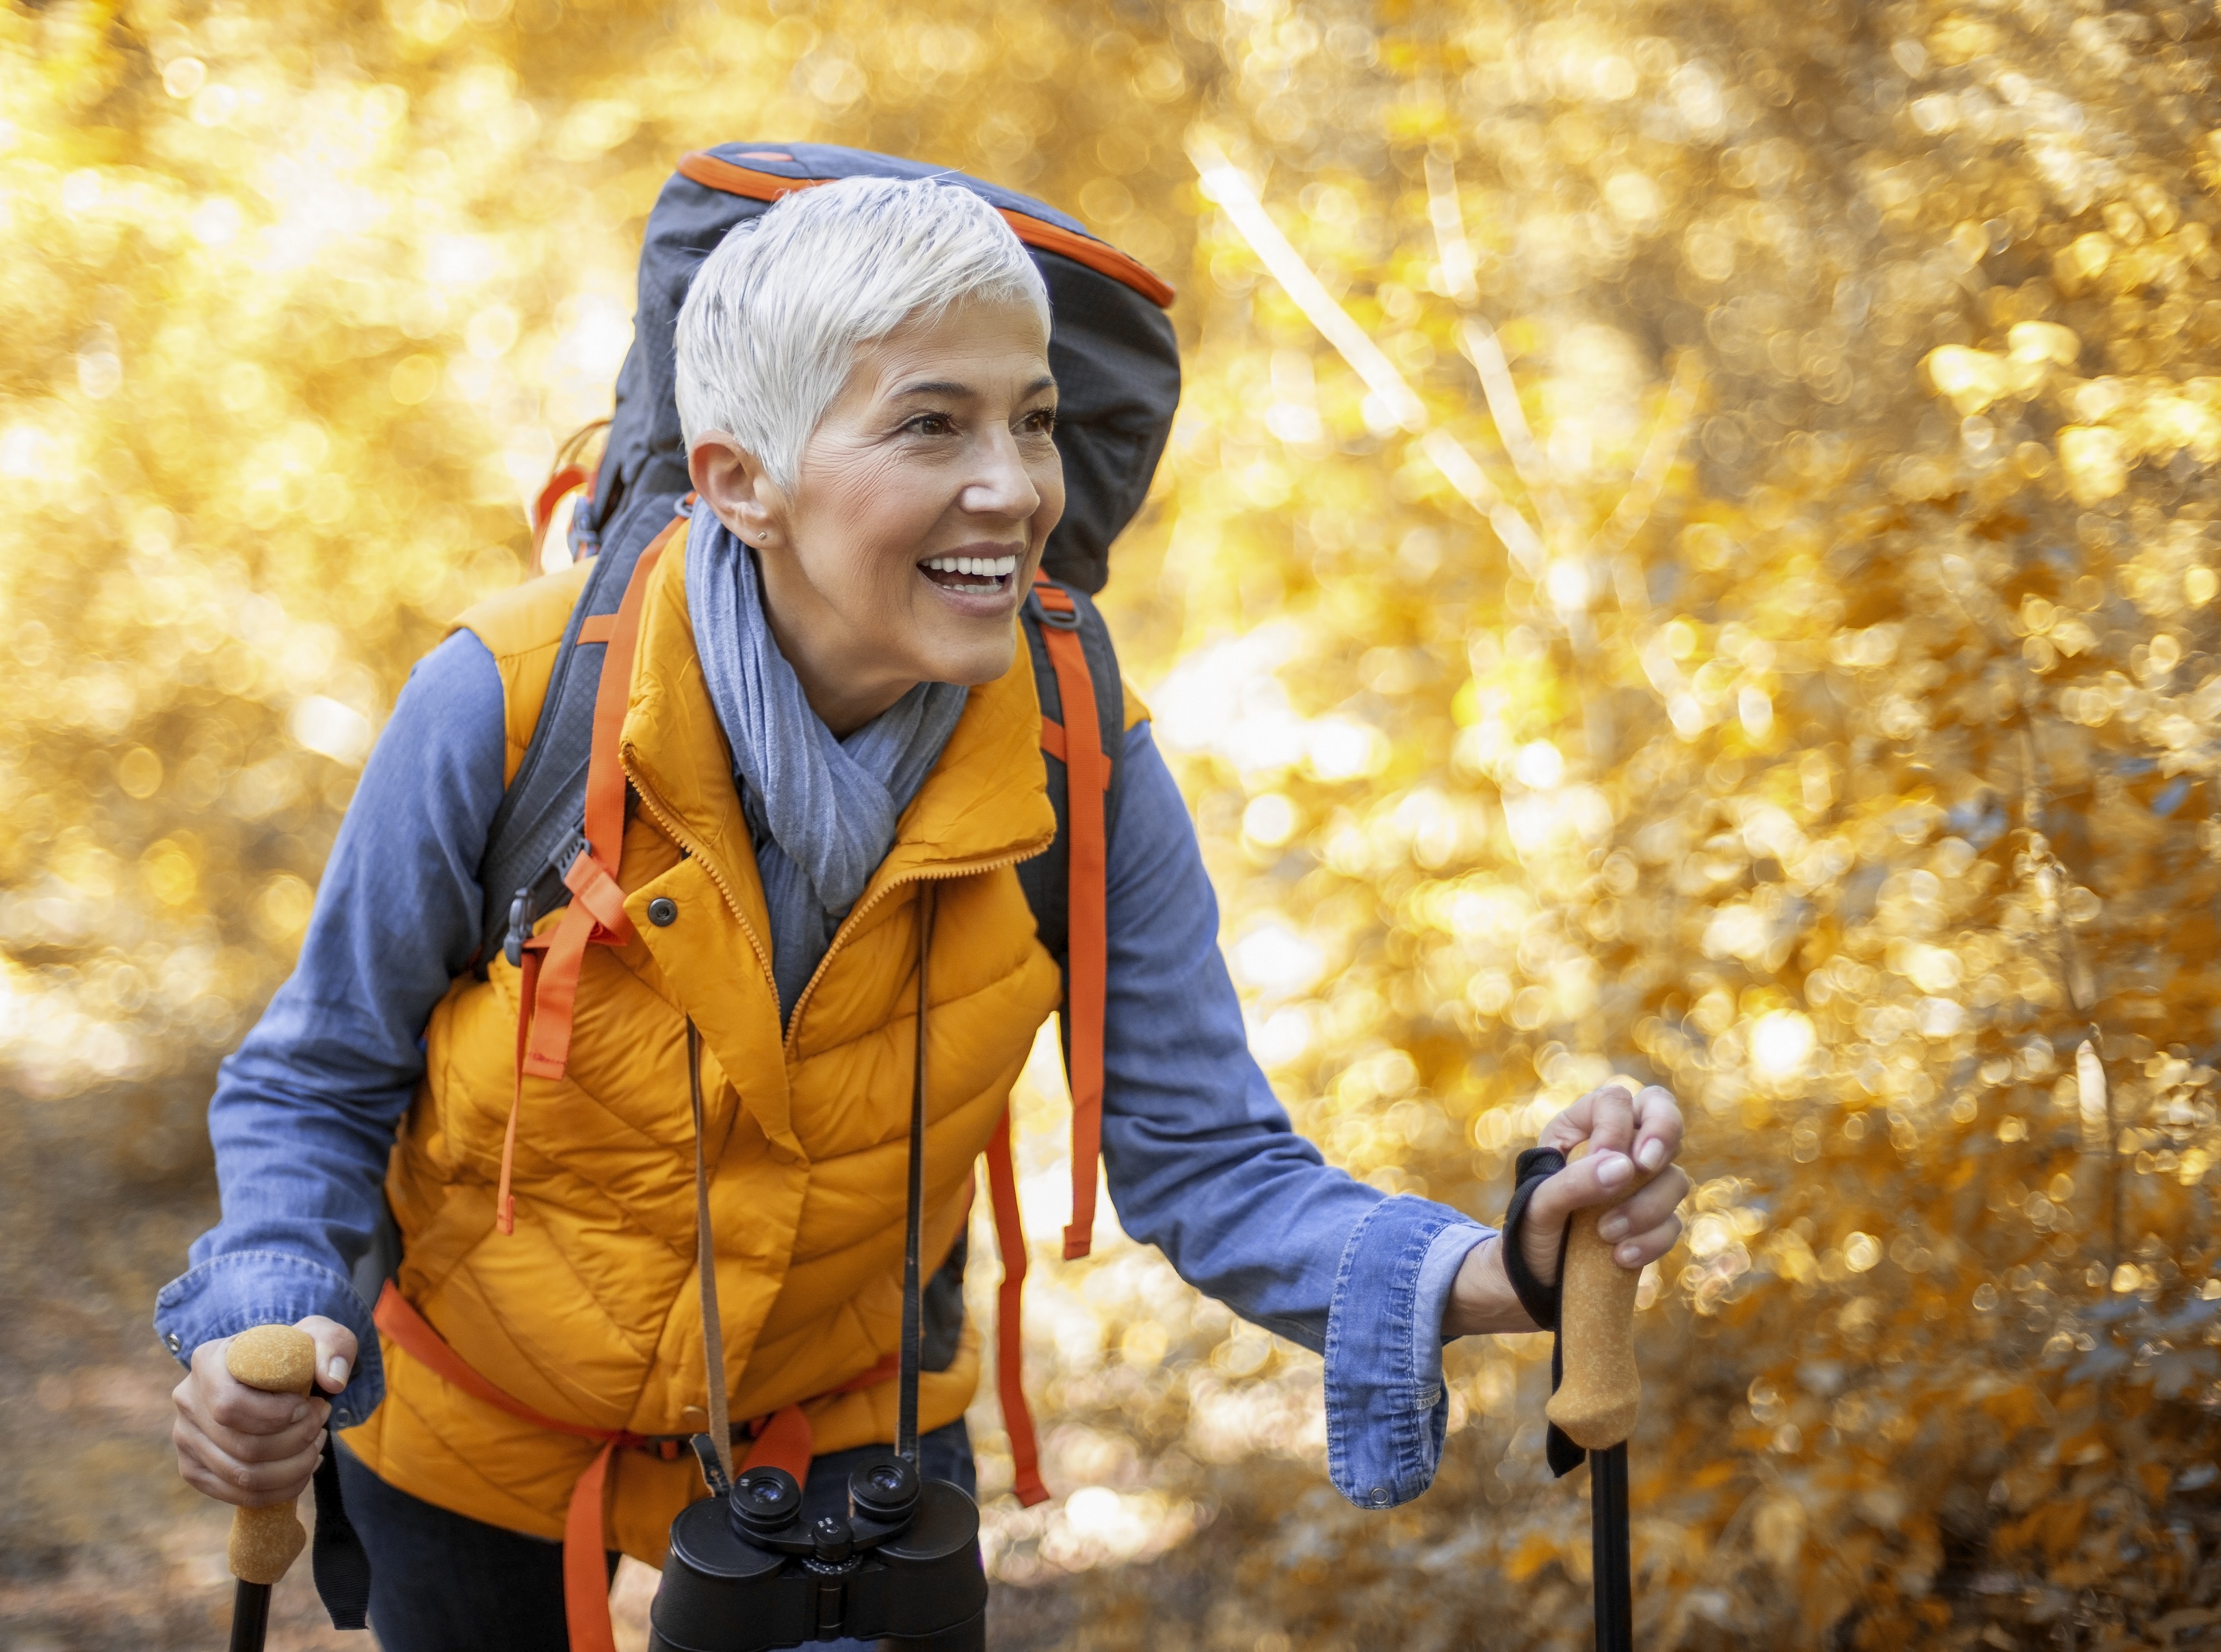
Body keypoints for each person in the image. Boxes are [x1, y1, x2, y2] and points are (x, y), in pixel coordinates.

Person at [156, 173, 1690, 1651]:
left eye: (1033, 419)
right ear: (738, 479)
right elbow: (318, 1074)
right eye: (931, 424)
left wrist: (1511, 1270)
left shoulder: (1076, 739)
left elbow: (1208, 1153)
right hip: (476, 1422)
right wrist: (274, 1305)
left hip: (850, 1433)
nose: (1016, 487)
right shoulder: (511, 700)